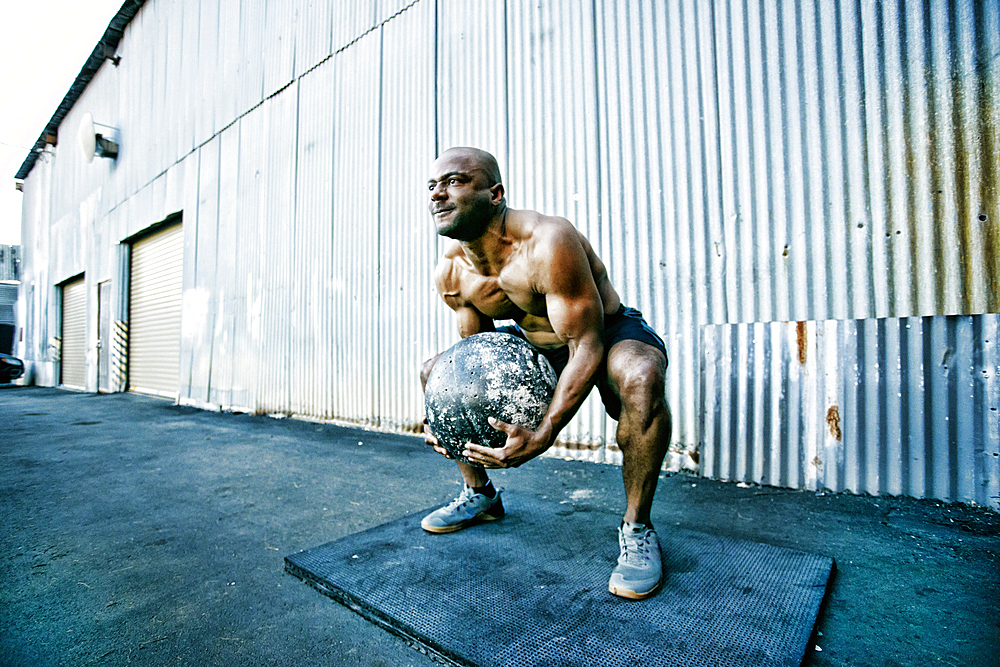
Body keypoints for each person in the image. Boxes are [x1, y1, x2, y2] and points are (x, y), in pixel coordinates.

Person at [419, 147, 672, 600]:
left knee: (641, 377)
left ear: (495, 193)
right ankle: (481, 495)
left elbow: (586, 343)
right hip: (537, 341)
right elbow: (473, 358)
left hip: (602, 330)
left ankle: (638, 527)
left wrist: (545, 432)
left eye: (455, 181)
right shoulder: (451, 273)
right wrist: (450, 420)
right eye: (432, 185)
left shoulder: (547, 241)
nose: (438, 193)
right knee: (434, 373)